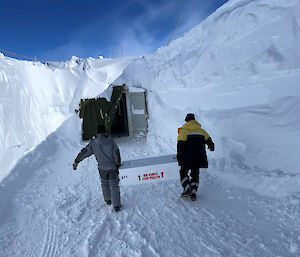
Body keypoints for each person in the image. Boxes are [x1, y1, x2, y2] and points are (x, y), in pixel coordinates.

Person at [73, 125, 122, 212]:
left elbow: (84, 152)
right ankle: (116, 205)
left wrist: (77, 161)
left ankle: (108, 200)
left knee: (104, 184)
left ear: (97, 132)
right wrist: (118, 164)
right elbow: (116, 153)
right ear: (104, 131)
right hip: (112, 167)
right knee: (114, 185)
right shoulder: (111, 141)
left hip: (102, 168)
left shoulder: (93, 143)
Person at [177, 113, 214, 201]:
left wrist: (179, 155)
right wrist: (211, 146)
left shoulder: (184, 130)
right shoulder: (202, 131)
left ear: (186, 120)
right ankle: (193, 192)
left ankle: (187, 189)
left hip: (187, 157)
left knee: (183, 172)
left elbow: (180, 145)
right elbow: (210, 142)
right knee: (195, 174)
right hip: (199, 157)